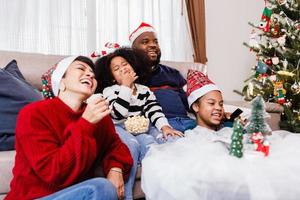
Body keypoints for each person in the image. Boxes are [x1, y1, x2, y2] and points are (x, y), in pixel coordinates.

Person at [141, 69, 300, 200]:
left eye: (221, 104)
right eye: (211, 103)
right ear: (196, 107)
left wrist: (235, 118)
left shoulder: (230, 127)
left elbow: (259, 125)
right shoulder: (191, 136)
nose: (218, 108)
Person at [5, 56, 133, 200]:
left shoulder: (99, 117)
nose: (90, 74)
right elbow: (53, 172)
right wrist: (86, 124)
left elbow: (116, 146)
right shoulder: (33, 114)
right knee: (101, 187)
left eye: (93, 73)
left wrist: (115, 169)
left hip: (77, 193)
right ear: (61, 82)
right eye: (81, 68)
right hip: (34, 197)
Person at [92, 47, 183, 200]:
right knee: (132, 144)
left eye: (125, 64)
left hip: (142, 127)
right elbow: (118, 113)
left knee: (163, 139)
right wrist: (125, 87)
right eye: (117, 68)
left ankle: (169, 189)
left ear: (133, 66)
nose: (123, 68)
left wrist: (165, 127)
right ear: (113, 77)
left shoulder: (144, 91)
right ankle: (125, 196)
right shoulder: (110, 90)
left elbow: (154, 111)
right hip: (118, 127)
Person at [129, 22, 197, 133]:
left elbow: (190, 101)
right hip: (155, 126)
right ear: (133, 49)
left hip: (186, 121)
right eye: (145, 42)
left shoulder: (173, 73)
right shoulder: (130, 76)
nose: (153, 45)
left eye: (156, 42)